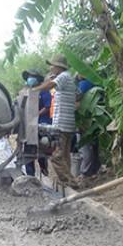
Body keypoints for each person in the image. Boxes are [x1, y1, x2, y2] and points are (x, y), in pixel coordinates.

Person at [33, 53, 80, 188]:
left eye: (53, 65)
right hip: (68, 122)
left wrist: (34, 90)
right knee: (65, 156)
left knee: (56, 156)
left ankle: (69, 182)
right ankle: (69, 183)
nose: (51, 67)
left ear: (59, 67)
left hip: (61, 123)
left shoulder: (63, 77)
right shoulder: (68, 78)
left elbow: (50, 85)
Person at [21, 69, 51, 177]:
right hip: (29, 125)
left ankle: (43, 168)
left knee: (41, 149)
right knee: (28, 149)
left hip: (42, 122)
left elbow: (47, 106)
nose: (31, 78)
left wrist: (36, 114)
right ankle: (30, 175)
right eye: (29, 76)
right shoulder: (26, 90)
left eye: (33, 76)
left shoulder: (44, 91)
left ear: (37, 79)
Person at [75, 73, 101, 178]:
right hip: (96, 119)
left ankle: (85, 172)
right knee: (94, 146)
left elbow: (77, 100)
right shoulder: (97, 84)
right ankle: (95, 170)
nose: (77, 74)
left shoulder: (84, 84)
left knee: (84, 147)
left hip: (84, 120)